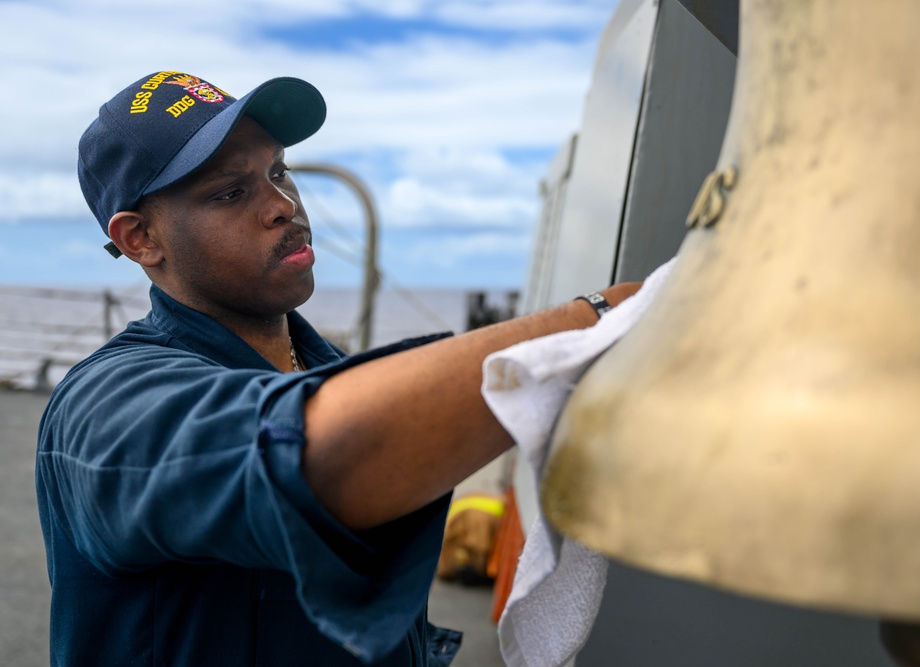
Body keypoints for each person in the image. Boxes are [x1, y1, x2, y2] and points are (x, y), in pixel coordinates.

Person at [36, 70, 640, 666]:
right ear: (141, 239)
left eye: (278, 171)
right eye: (229, 192)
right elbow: (323, 455)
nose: (282, 205)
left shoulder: (331, 372)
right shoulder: (104, 405)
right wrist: (599, 321)